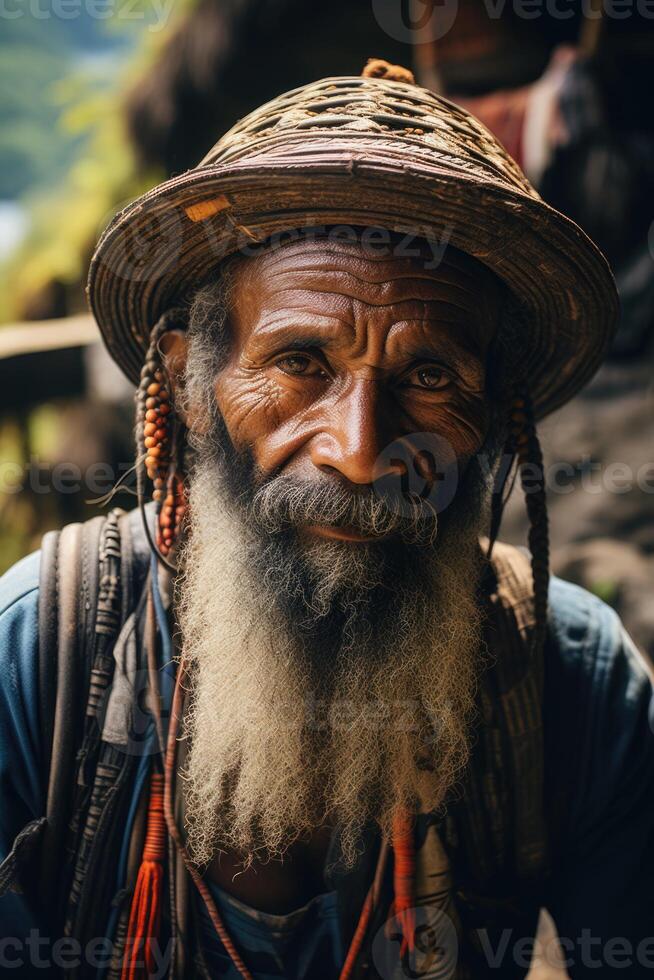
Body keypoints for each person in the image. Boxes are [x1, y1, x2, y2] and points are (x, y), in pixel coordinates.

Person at [0, 63, 652, 980]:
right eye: (301, 361)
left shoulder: (572, 682)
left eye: (430, 378)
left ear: (498, 412)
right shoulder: (36, 660)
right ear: (193, 387)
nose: (359, 449)